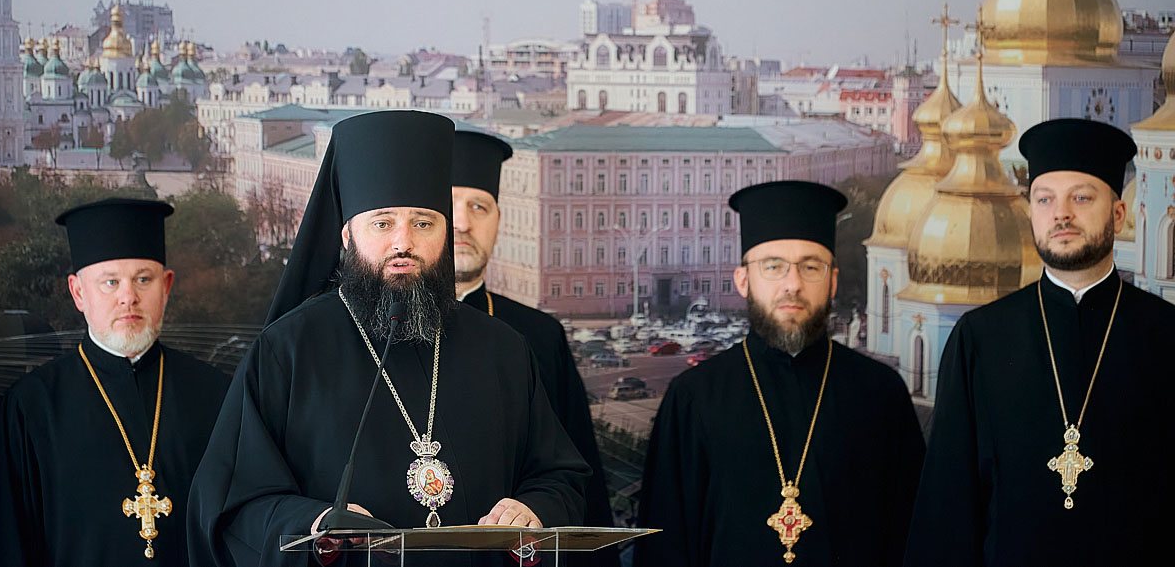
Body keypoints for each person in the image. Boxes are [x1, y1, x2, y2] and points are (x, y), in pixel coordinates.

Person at [188, 110, 590, 566]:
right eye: (383, 223)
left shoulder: (503, 349)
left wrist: (535, 508)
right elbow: (235, 503)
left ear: (444, 233)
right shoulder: (288, 350)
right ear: (347, 236)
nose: (404, 243)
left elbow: (560, 477)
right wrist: (314, 524)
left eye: (423, 223)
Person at [904, 119, 1175, 567]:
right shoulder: (979, 339)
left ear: (1118, 214)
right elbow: (947, 509)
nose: (1061, 214)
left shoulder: (1165, 335)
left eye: (1081, 198)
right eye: (1045, 199)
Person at [635, 181, 924, 567]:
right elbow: (665, 544)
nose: (793, 284)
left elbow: (913, 538)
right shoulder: (694, 398)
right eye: (773, 266)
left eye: (811, 266)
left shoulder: (880, 393)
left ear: (833, 281)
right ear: (743, 281)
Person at [0, 198, 230, 567]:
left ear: (166, 286)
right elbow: (9, 546)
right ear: (78, 293)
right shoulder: (31, 408)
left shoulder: (217, 395)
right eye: (110, 282)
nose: (128, 297)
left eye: (143, 279)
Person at [451, 129, 619, 566]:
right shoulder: (372, 333)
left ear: (499, 221)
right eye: (448, 206)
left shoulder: (540, 335)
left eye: (479, 207)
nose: (463, 223)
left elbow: (576, 478)